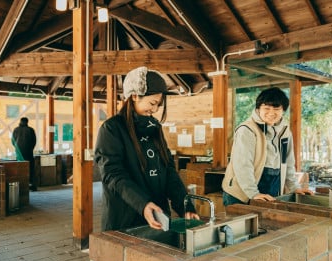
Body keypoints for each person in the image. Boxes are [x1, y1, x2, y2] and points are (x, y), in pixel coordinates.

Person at [94, 66, 199, 231]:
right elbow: (112, 174)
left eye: (158, 104)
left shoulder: (154, 127)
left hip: (158, 218)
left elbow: (169, 170)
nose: (155, 110)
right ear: (134, 96)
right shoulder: (112, 129)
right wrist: (142, 204)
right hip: (125, 219)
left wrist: (185, 205)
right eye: (152, 103)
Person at [222, 87, 313, 206]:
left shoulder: (285, 132)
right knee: (239, 224)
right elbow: (243, 165)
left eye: (276, 108)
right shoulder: (247, 130)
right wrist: (253, 194)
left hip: (271, 188)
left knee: (266, 224)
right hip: (241, 193)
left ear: (283, 110)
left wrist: (294, 188)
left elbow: (288, 163)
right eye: (266, 108)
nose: (271, 113)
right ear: (258, 109)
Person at [12, 117, 37, 191]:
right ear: (27, 122)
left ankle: (21, 186)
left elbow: (13, 141)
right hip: (29, 153)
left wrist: (17, 149)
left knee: (20, 169)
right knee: (30, 169)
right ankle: (31, 185)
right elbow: (34, 141)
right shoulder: (30, 130)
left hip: (19, 153)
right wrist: (30, 148)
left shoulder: (16, 130)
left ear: (20, 122)